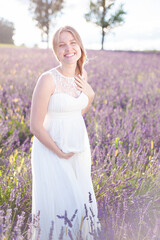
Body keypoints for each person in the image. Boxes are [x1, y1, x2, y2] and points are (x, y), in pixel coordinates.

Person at [30, 25, 101, 240]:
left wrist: (90, 94)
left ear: (80, 46)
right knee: (62, 209)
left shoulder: (82, 74)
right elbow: (35, 125)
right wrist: (59, 152)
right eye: (62, 45)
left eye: (72, 43)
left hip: (78, 149)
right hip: (52, 151)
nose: (68, 49)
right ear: (56, 51)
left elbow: (78, 112)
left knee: (81, 205)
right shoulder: (47, 79)